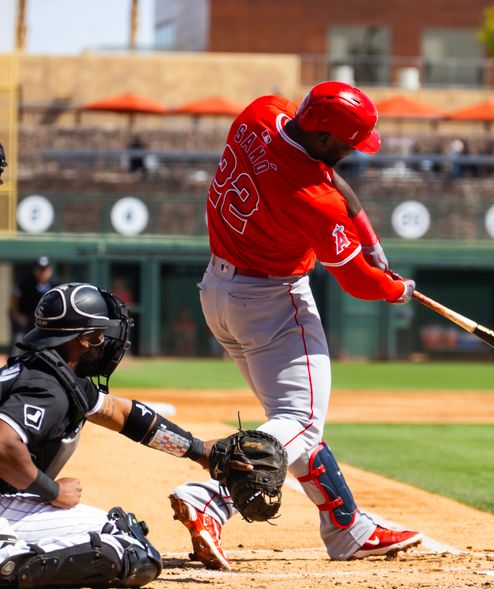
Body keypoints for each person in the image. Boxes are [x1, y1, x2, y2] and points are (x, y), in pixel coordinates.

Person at [169, 80, 421, 570]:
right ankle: (210, 499)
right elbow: (359, 285)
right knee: (301, 423)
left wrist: (368, 236)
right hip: (271, 299)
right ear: (325, 139)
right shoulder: (312, 199)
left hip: (218, 292)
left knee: (291, 423)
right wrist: (395, 287)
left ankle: (348, 528)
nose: (353, 152)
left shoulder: (260, 113)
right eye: (348, 143)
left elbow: (328, 175)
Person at [0, 282, 217, 588]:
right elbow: (3, 445)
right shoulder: (48, 388)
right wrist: (51, 491)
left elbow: (125, 416)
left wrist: (200, 450)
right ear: (86, 339)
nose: (108, 343)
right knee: (126, 546)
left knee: (123, 539)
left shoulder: (52, 375)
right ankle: (6, 556)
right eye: (101, 334)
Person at [8, 257, 58, 356]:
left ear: (50, 271)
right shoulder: (24, 283)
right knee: (18, 340)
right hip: (25, 321)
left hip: (45, 323)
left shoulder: (55, 285)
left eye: (45, 270)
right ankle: (13, 366)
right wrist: (18, 316)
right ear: (35, 270)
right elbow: (13, 299)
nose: (42, 273)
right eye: (40, 269)